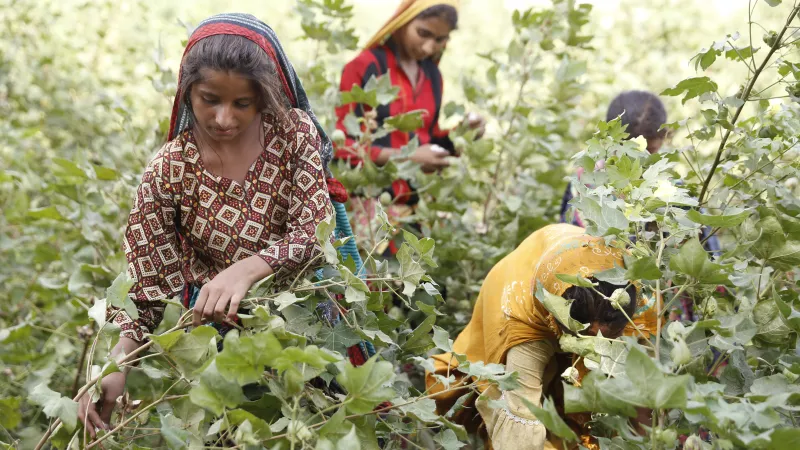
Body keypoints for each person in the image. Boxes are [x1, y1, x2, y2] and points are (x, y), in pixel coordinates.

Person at [78, 14, 343, 438]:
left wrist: (246, 268)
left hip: (306, 321)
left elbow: (315, 230)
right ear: (187, 93)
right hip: (222, 346)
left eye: (242, 103)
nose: (223, 118)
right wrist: (113, 367)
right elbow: (148, 285)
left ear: (264, 96)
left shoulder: (292, 134)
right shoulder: (169, 170)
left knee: (324, 428)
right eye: (209, 99)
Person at [426, 224, 660, 450]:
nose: (597, 338)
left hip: (577, 269)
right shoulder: (523, 317)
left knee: (610, 389)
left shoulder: (639, 302)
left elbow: (642, 392)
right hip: (521, 289)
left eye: (609, 329)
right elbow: (521, 411)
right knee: (517, 400)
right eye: (584, 331)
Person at [334, 0, 485, 255]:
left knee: (409, 285)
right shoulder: (365, 66)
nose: (429, 46)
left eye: (439, 39)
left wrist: (463, 134)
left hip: (414, 206)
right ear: (403, 21)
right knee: (370, 286)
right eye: (423, 33)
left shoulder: (433, 76)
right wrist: (408, 157)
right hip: (367, 207)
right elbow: (344, 147)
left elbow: (428, 138)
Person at [560, 90, 721, 321]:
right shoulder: (581, 186)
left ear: (664, 141)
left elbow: (705, 264)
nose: (640, 161)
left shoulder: (672, 191)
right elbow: (564, 252)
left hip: (662, 318)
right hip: (596, 315)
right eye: (626, 152)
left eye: (651, 152)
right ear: (609, 143)